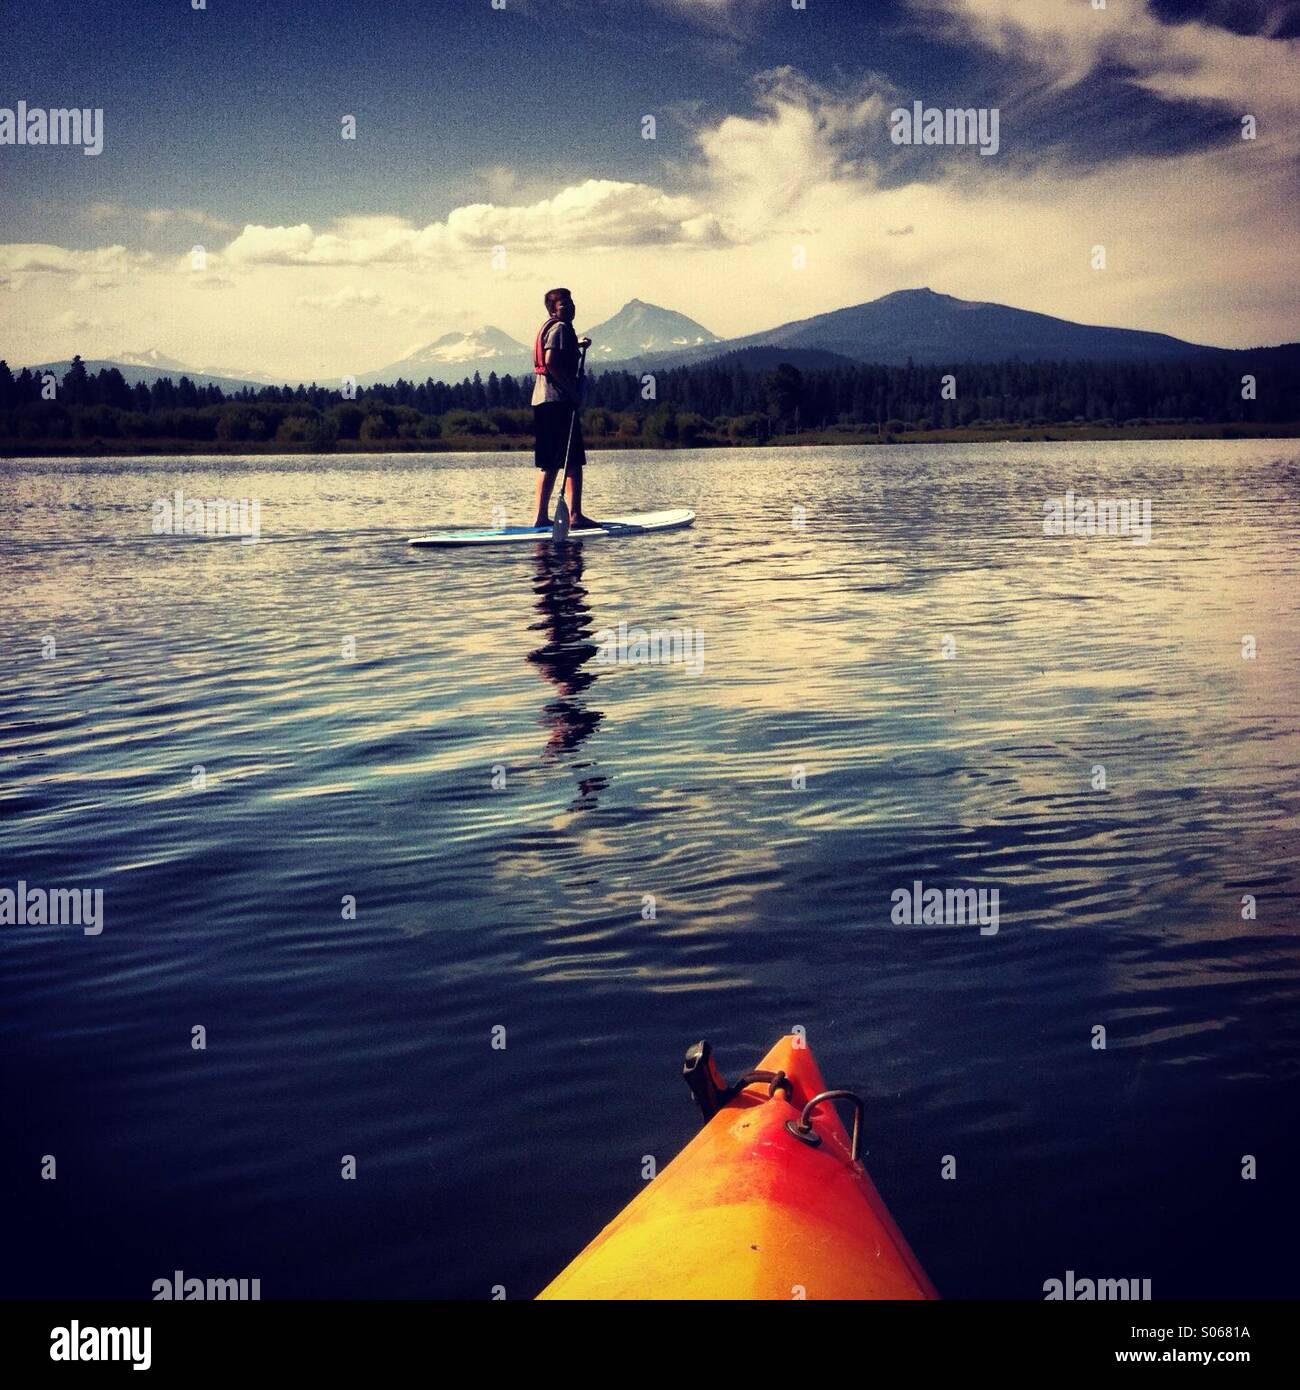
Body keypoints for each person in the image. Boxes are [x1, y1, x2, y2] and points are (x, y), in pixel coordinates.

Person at [531, 287, 597, 529]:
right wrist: (573, 393)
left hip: (543, 402)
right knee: (573, 460)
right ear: (552, 310)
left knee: (549, 462)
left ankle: (540, 517)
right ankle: (575, 516)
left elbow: (557, 352)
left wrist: (577, 345)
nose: (570, 308)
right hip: (558, 403)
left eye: (571, 303)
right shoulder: (559, 329)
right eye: (563, 305)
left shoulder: (555, 328)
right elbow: (551, 363)